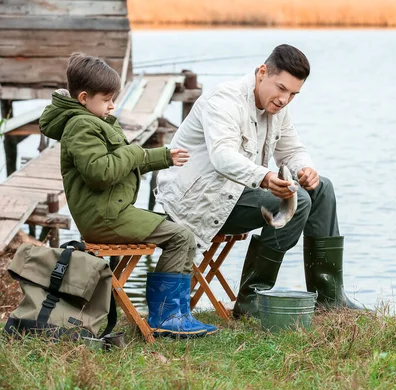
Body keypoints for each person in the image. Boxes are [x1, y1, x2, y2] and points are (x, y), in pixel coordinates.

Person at [156, 44, 361, 318]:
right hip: (198, 202)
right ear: (262, 72)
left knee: (321, 187)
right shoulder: (224, 101)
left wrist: (305, 169)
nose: (285, 99)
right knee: (296, 201)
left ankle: (329, 298)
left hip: (236, 196)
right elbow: (222, 156)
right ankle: (251, 300)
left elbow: (291, 151)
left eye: (293, 94)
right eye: (281, 88)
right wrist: (264, 177)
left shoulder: (276, 107)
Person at [39, 53, 217, 338]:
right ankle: (167, 317)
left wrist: (165, 156)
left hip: (111, 211)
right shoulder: (81, 126)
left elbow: (123, 162)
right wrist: (134, 150)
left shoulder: (96, 120)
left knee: (184, 233)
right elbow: (101, 173)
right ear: (84, 97)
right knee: (180, 236)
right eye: (107, 99)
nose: (113, 105)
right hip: (104, 216)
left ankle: (178, 313)